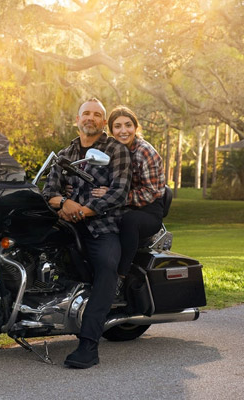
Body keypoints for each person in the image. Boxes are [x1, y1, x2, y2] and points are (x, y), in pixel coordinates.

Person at [43, 98, 131, 369]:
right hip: (65, 225)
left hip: (102, 226)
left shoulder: (116, 150)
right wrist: (63, 203)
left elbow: (120, 191)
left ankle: (89, 345)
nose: (90, 118)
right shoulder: (65, 153)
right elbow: (49, 191)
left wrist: (85, 210)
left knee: (106, 266)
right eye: (86, 114)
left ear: (103, 122)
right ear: (77, 119)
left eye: (96, 115)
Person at [92, 106, 166, 283]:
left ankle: (120, 277)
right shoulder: (110, 150)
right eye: (117, 126)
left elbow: (151, 192)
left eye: (128, 125)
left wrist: (114, 195)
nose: (123, 131)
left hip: (148, 210)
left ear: (136, 127)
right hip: (118, 205)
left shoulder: (144, 152)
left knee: (129, 221)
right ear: (111, 130)